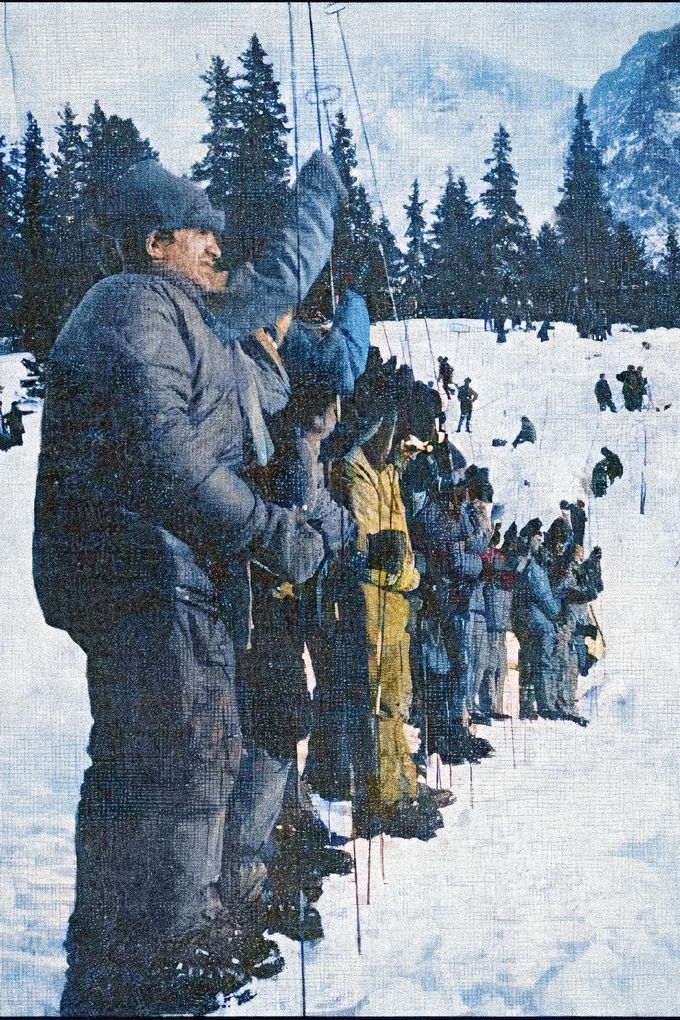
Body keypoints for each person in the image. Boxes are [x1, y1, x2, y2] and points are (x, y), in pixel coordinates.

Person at [34, 152, 345, 1016]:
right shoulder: (130, 306)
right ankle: (155, 953)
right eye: (200, 231)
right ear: (156, 241)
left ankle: (133, 955)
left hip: (173, 580)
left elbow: (269, 305)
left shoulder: (183, 313)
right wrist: (272, 531)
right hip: (141, 573)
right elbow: (164, 458)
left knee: (174, 758)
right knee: (176, 761)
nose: (217, 244)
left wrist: (318, 200)